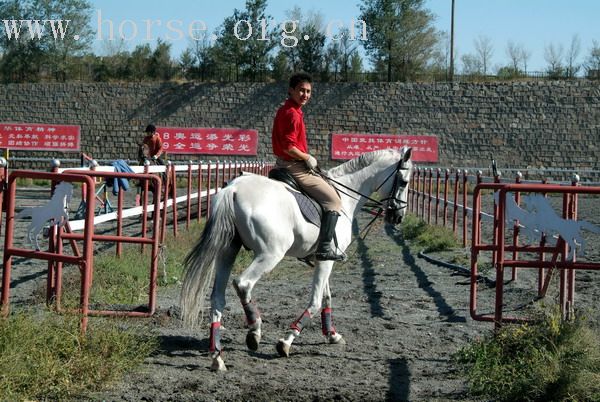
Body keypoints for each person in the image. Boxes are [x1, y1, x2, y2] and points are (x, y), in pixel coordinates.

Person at [271, 72, 344, 261]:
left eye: (308, 91)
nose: (305, 95)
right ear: (291, 90)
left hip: (285, 163)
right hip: (294, 166)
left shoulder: (286, 109)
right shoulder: (292, 114)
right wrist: (307, 157)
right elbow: (289, 146)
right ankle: (324, 248)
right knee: (333, 201)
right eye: (301, 90)